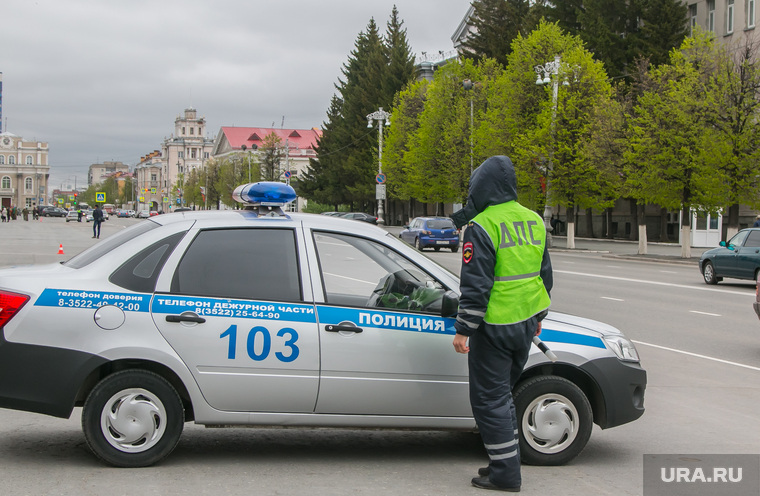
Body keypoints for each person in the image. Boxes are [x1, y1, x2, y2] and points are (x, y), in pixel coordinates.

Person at [451, 156, 553, 492]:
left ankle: (506, 474)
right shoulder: (534, 220)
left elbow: (476, 285)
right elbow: (544, 276)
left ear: (481, 187)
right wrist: (538, 318)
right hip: (524, 324)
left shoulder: (482, 226)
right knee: (502, 397)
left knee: (489, 400)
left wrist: (464, 328)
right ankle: (501, 463)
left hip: (493, 327)